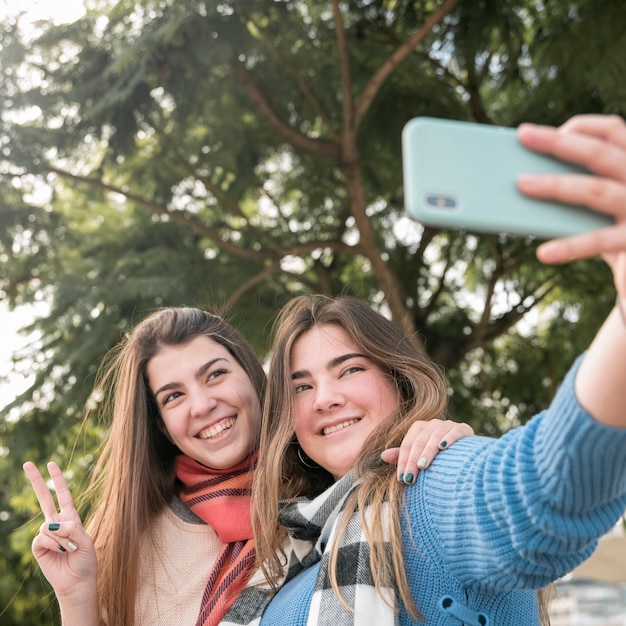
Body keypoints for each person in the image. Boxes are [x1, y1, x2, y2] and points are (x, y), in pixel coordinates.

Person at [248, 115, 626, 625]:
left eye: (350, 369)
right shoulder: (291, 550)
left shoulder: (429, 485)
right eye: (301, 386)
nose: (325, 398)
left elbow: (541, 495)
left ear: (399, 381)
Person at [23, 307, 472, 626]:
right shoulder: (125, 541)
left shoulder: (323, 489)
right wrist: (76, 597)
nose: (202, 405)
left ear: (256, 379)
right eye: (173, 396)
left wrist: (448, 442)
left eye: (215, 374)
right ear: (160, 425)